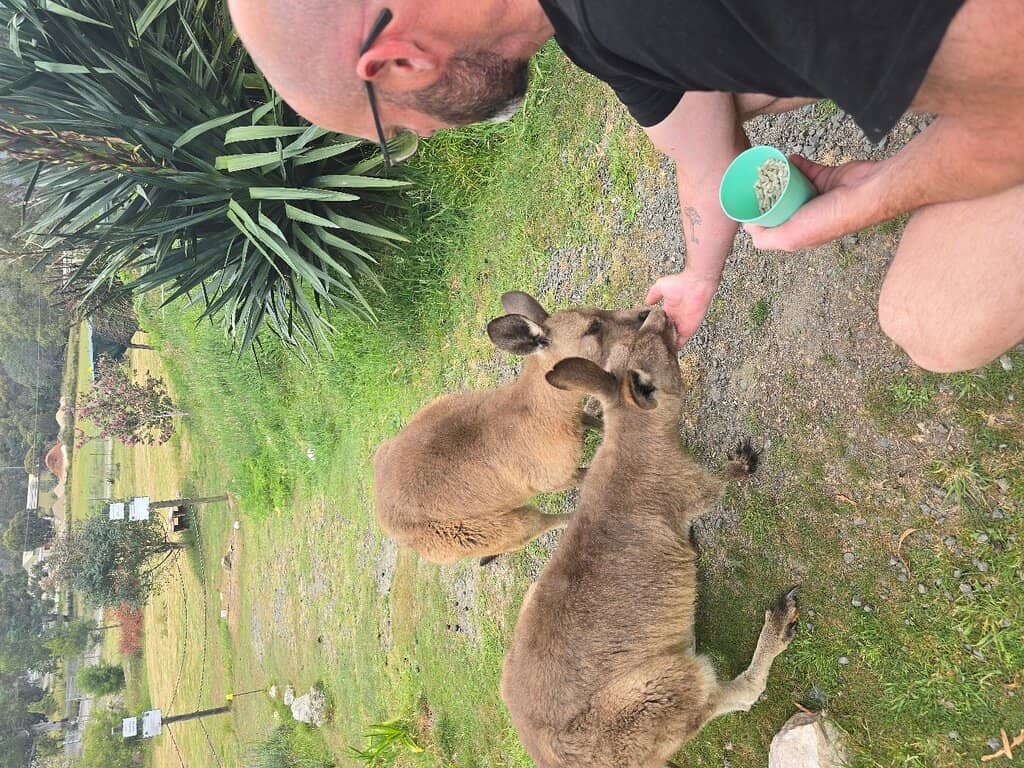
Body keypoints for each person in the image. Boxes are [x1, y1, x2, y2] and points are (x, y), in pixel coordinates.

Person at [228, 0, 1024, 373]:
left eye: (397, 130)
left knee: (930, 320)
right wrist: (698, 275)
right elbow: (699, 143)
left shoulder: (635, 16)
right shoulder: (587, 24)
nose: (425, 137)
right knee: (728, 88)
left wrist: (877, 192)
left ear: (396, 62)